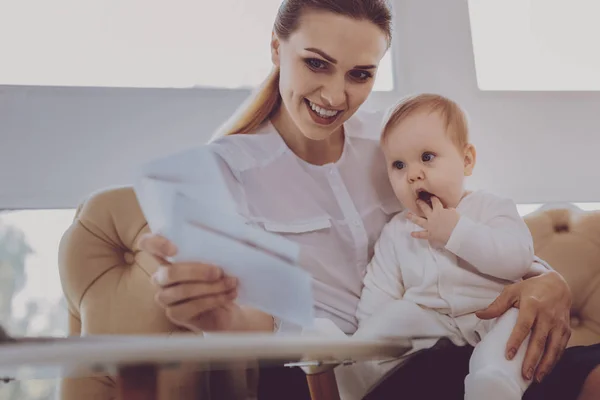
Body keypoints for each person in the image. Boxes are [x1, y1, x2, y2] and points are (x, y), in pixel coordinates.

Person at [138, 1, 600, 399]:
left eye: (360, 74)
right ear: (277, 49)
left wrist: (549, 281)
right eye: (316, 63)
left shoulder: (391, 144)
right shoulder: (225, 171)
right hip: (323, 377)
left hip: (447, 347)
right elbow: (261, 321)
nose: (336, 95)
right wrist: (216, 316)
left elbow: (475, 221)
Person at [353, 93, 535, 399]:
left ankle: (494, 384)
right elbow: (380, 288)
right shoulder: (398, 230)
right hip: (431, 321)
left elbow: (517, 259)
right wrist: (370, 332)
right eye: (399, 165)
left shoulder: (490, 207)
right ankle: (350, 365)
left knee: (514, 334)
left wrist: (458, 232)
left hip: (492, 313)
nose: (413, 174)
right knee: (395, 315)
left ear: (466, 161)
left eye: (426, 157)